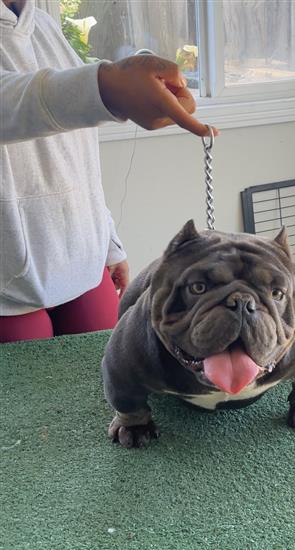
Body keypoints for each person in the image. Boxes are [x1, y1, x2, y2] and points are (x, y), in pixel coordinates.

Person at [0, 0, 218, 343]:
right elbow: (15, 102)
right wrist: (105, 87)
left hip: (81, 256)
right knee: (30, 390)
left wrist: (108, 242)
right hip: (7, 286)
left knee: (104, 370)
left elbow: (75, 152)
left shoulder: (40, 24)